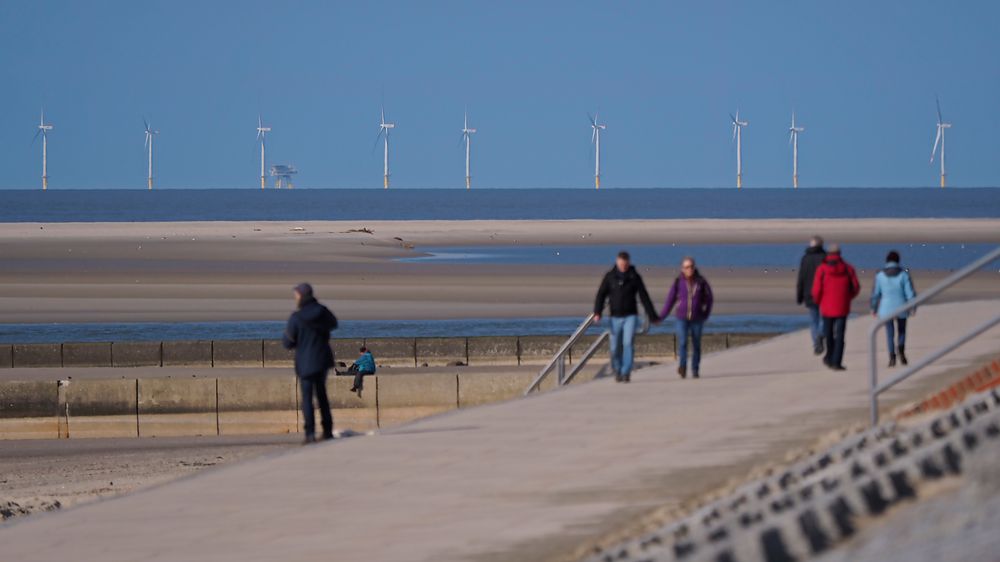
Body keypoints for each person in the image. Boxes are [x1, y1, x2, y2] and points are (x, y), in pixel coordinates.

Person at [282, 283, 339, 444]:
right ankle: (327, 431)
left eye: (296, 295)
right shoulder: (322, 311)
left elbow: (287, 342)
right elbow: (334, 324)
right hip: (322, 359)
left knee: (307, 398)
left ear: (301, 296)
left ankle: (310, 434)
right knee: (322, 396)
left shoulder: (296, 317)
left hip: (305, 362)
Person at [593, 251, 660, 383]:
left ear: (628, 263)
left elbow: (644, 296)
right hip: (615, 317)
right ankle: (617, 369)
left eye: (625, 264)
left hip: (630, 316)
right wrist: (597, 312)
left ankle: (626, 371)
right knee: (615, 347)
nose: (623, 266)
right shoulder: (610, 276)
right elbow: (601, 294)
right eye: (621, 264)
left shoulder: (634, 276)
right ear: (617, 262)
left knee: (628, 343)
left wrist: (653, 316)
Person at [661, 257, 714, 379]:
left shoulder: (701, 282)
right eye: (686, 267)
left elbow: (710, 298)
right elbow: (670, 301)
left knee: (696, 345)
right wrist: (661, 317)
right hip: (681, 318)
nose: (689, 269)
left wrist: (705, 314)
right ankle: (683, 367)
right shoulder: (678, 282)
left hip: (697, 318)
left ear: (694, 267)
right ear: (682, 269)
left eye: (691, 266)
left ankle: (695, 369)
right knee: (683, 342)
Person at [811, 244, 860, 371]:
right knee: (840, 335)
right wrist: (848, 298)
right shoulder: (848, 268)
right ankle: (836, 361)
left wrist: (818, 301)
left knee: (829, 334)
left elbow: (816, 290)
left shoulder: (822, 269)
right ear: (840, 253)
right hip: (842, 307)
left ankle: (830, 358)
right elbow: (855, 288)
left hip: (827, 307)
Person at [870, 250, 917, 367]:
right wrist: (913, 307)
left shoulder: (880, 275)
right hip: (901, 306)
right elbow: (910, 293)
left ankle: (892, 356)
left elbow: (876, 294)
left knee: (889, 333)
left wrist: (874, 308)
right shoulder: (904, 274)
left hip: (886, 308)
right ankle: (901, 349)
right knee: (902, 331)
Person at [797, 235, 827, 355]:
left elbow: (801, 278)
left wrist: (799, 296)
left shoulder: (805, 258)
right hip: (823, 293)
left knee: (814, 320)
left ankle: (816, 343)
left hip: (809, 293)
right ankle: (820, 335)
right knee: (823, 318)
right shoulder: (824, 258)